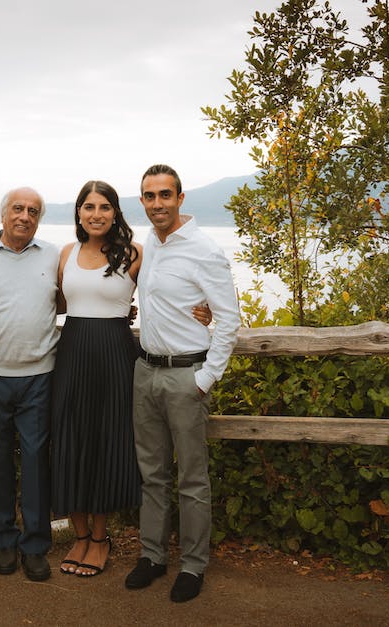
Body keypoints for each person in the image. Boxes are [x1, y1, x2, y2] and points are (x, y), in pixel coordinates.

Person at [124, 164, 240, 603]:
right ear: (143, 201)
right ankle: (152, 556)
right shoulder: (150, 246)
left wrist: (206, 377)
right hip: (146, 371)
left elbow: (228, 318)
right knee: (152, 475)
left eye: (165, 195)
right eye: (150, 197)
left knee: (192, 479)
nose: (158, 204)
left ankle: (193, 566)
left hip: (186, 376)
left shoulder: (205, 249)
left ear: (180, 198)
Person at [50, 180, 142, 577]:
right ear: (78, 213)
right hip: (71, 353)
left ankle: (101, 539)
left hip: (114, 356)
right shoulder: (66, 253)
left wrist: (203, 311)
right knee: (70, 440)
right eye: (88, 207)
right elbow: (54, 302)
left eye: (104, 207)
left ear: (115, 212)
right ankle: (80, 535)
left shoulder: (134, 254)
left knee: (107, 442)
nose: (96, 214)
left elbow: (163, 293)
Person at [0, 187, 59, 582]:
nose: (25, 216)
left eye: (33, 211)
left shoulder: (54, 256)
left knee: (38, 463)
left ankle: (36, 546)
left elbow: (76, 294)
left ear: (39, 218)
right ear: (3, 214)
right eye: (18, 209)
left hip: (39, 374)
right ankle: (3, 540)